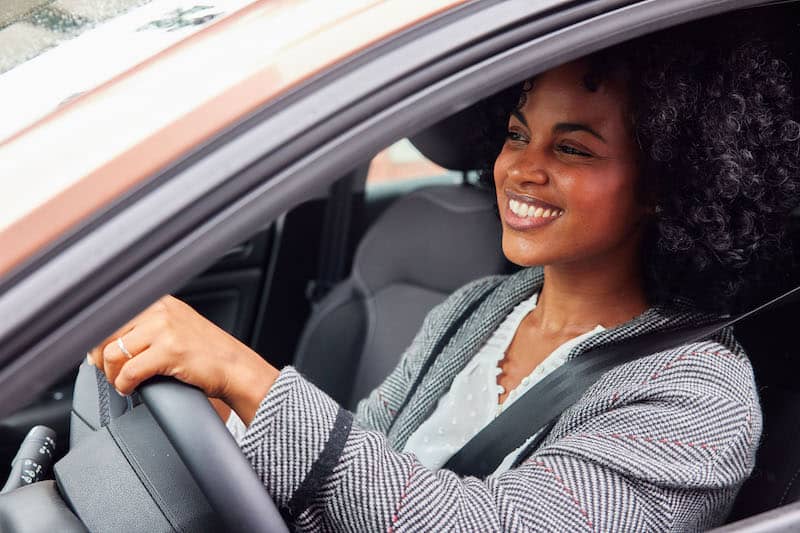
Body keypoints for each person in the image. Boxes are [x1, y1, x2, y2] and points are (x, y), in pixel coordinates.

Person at [88, 23, 800, 531]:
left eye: (574, 148)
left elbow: (484, 522)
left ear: (665, 184)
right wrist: (224, 428)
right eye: (518, 133)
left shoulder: (700, 400)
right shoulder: (475, 310)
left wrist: (245, 375)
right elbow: (354, 459)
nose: (521, 166)